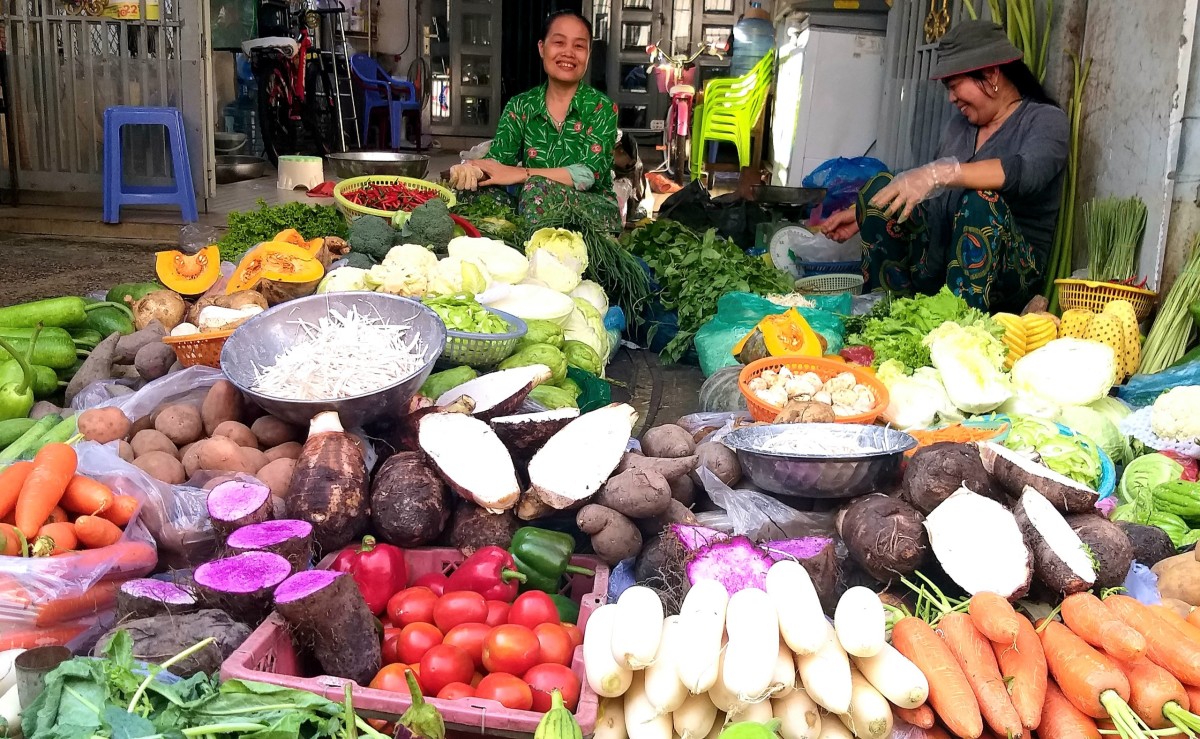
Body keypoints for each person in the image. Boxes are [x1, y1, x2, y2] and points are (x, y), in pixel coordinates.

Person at [821, 20, 1069, 312]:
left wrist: (940, 172)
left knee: (980, 202)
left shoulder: (1045, 120)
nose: (951, 98)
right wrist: (864, 211)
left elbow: (1026, 174)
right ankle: (888, 317)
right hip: (941, 258)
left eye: (955, 86)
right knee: (880, 187)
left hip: (1008, 274)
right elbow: (929, 192)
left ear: (990, 74)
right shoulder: (958, 127)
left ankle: (959, 329)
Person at [448, 10, 622, 232]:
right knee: (472, 192)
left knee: (535, 189)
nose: (568, 53)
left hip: (593, 210)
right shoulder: (521, 105)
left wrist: (522, 175)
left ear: (588, 53)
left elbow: (587, 175)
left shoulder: (602, 107)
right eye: (559, 42)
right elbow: (497, 161)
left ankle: (532, 251)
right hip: (534, 208)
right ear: (542, 48)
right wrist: (470, 169)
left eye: (579, 46)